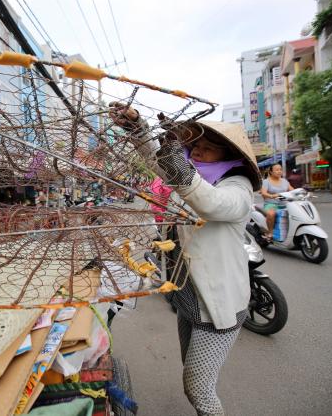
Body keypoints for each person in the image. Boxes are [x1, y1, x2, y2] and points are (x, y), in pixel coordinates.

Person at [109, 102, 261, 416]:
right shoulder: (190, 179)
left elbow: (212, 204)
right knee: (191, 371)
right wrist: (138, 128)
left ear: (229, 157)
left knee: (199, 389)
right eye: (195, 146)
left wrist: (181, 165)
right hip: (188, 298)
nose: (199, 152)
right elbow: (157, 158)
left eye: (208, 148)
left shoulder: (237, 187)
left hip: (219, 305)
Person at [260, 163, 293, 240]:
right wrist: (272, 196)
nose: (279, 171)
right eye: (277, 170)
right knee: (271, 214)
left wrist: (301, 193)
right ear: (271, 172)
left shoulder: (285, 181)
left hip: (285, 204)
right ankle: (270, 232)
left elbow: (292, 190)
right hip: (271, 204)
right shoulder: (266, 181)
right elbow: (263, 193)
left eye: (280, 169)